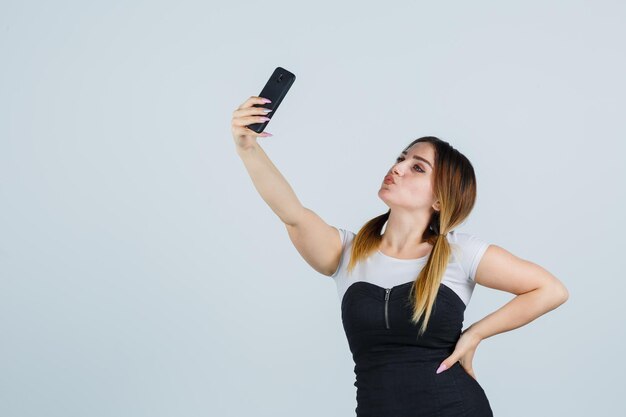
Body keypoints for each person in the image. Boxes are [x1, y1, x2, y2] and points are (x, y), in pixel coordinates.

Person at [231, 95, 569, 416]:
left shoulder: (459, 253)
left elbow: (550, 290)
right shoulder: (347, 253)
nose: (399, 167)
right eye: (400, 158)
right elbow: (292, 213)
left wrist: (475, 334)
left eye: (417, 168)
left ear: (440, 199)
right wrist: (247, 147)